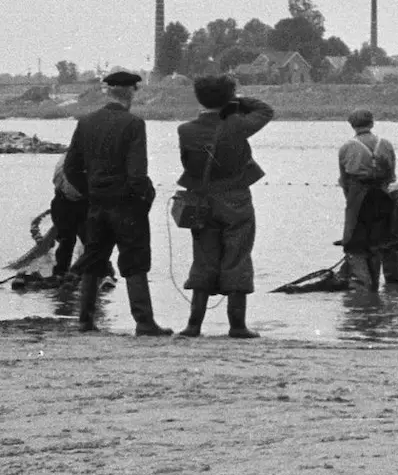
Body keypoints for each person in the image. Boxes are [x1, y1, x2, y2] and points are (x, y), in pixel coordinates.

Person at [62, 69, 168, 334]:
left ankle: (85, 320)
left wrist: (90, 192)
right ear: (131, 92)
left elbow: (71, 167)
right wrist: (144, 198)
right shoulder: (133, 124)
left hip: (97, 203)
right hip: (127, 204)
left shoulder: (85, 122)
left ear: (108, 91)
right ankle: (144, 322)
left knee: (94, 257)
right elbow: (137, 174)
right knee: (135, 259)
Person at [175, 74, 276, 338]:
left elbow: (188, 164)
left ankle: (193, 325)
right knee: (238, 257)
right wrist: (236, 101)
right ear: (228, 97)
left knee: (203, 259)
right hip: (236, 199)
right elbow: (265, 109)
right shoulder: (237, 125)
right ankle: (237, 326)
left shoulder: (185, 130)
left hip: (202, 200)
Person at [336, 110, 396, 290]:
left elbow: (344, 179)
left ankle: (363, 286)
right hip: (382, 194)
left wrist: (351, 202)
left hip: (357, 193)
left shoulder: (347, 147)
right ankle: (375, 285)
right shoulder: (385, 144)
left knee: (354, 243)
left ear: (352, 125)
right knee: (377, 241)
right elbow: (392, 174)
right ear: (372, 123)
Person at [48, 154, 87, 281]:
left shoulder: (67, 159)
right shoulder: (87, 158)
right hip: (69, 203)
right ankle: (67, 273)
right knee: (70, 241)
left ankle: (64, 273)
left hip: (66, 203)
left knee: (70, 241)